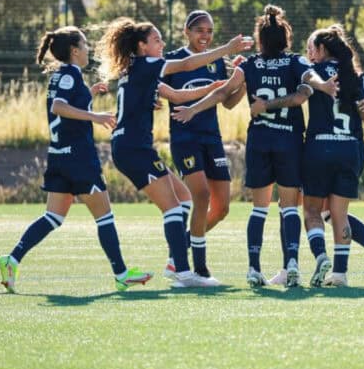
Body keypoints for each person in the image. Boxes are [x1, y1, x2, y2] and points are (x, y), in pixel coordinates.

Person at [172, 5, 336, 287]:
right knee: (288, 208)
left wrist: (193, 109)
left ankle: (253, 268)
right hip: (289, 141)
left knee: (259, 209)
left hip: (260, 142)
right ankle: (292, 264)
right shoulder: (295, 61)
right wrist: (323, 86)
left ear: (260, 40)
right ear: (286, 38)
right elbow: (310, 79)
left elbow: (223, 93)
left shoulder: (249, 65)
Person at [96, 17, 253, 288]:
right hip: (134, 148)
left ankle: (176, 261)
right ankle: (182, 270)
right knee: (172, 207)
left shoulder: (135, 69)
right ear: (142, 46)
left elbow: (178, 96)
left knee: (183, 198)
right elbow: (187, 64)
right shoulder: (147, 64)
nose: (162, 44)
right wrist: (227, 49)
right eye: (156, 40)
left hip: (132, 147)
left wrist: (212, 88)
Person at [0, 26, 152, 293]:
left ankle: (12, 260)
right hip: (78, 158)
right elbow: (59, 107)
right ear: (74, 50)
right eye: (84, 44)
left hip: (59, 156)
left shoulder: (62, 75)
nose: (88, 48)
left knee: (53, 217)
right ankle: (122, 274)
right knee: (104, 216)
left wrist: (88, 94)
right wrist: (96, 116)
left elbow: (66, 105)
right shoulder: (69, 74)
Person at [298, 25, 364, 287]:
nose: (308, 53)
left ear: (322, 49)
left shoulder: (313, 72)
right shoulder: (353, 74)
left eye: (311, 48)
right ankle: (340, 273)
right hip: (349, 149)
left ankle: (321, 256)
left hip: (320, 148)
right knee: (338, 213)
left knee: (313, 210)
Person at [162, 10, 246, 279]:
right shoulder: (173, 60)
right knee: (201, 195)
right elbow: (158, 92)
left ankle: (179, 251)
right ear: (186, 31)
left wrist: (244, 81)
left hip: (212, 139)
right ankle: (199, 267)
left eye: (209, 31)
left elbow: (227, 102)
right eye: (200, 30)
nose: (205, 36)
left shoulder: (217, 62)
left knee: (222, 208)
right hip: (185, 139)